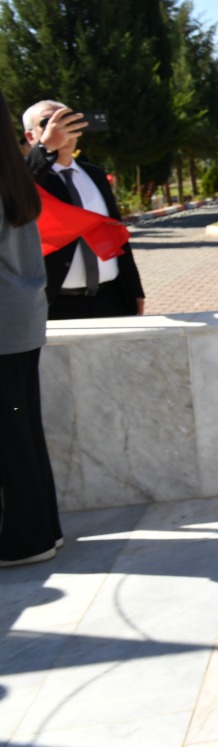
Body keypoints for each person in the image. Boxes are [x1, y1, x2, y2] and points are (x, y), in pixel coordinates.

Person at [0, 87, 63, 567]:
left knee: (12, 435)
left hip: (5, 322)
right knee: (23, 430)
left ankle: (28, 539)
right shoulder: (13, 174)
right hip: (20, 318)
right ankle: (46, 530)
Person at [22, 101, 144, 319]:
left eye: (67, 120)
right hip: (54, 305)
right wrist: (46, 148)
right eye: (48, 123)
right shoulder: (27, 178)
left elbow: (116, 234)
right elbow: (17, 190)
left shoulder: (94, 175)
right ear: (31, 137)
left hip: (110, 298)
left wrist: (134, 289)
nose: (60, 128)